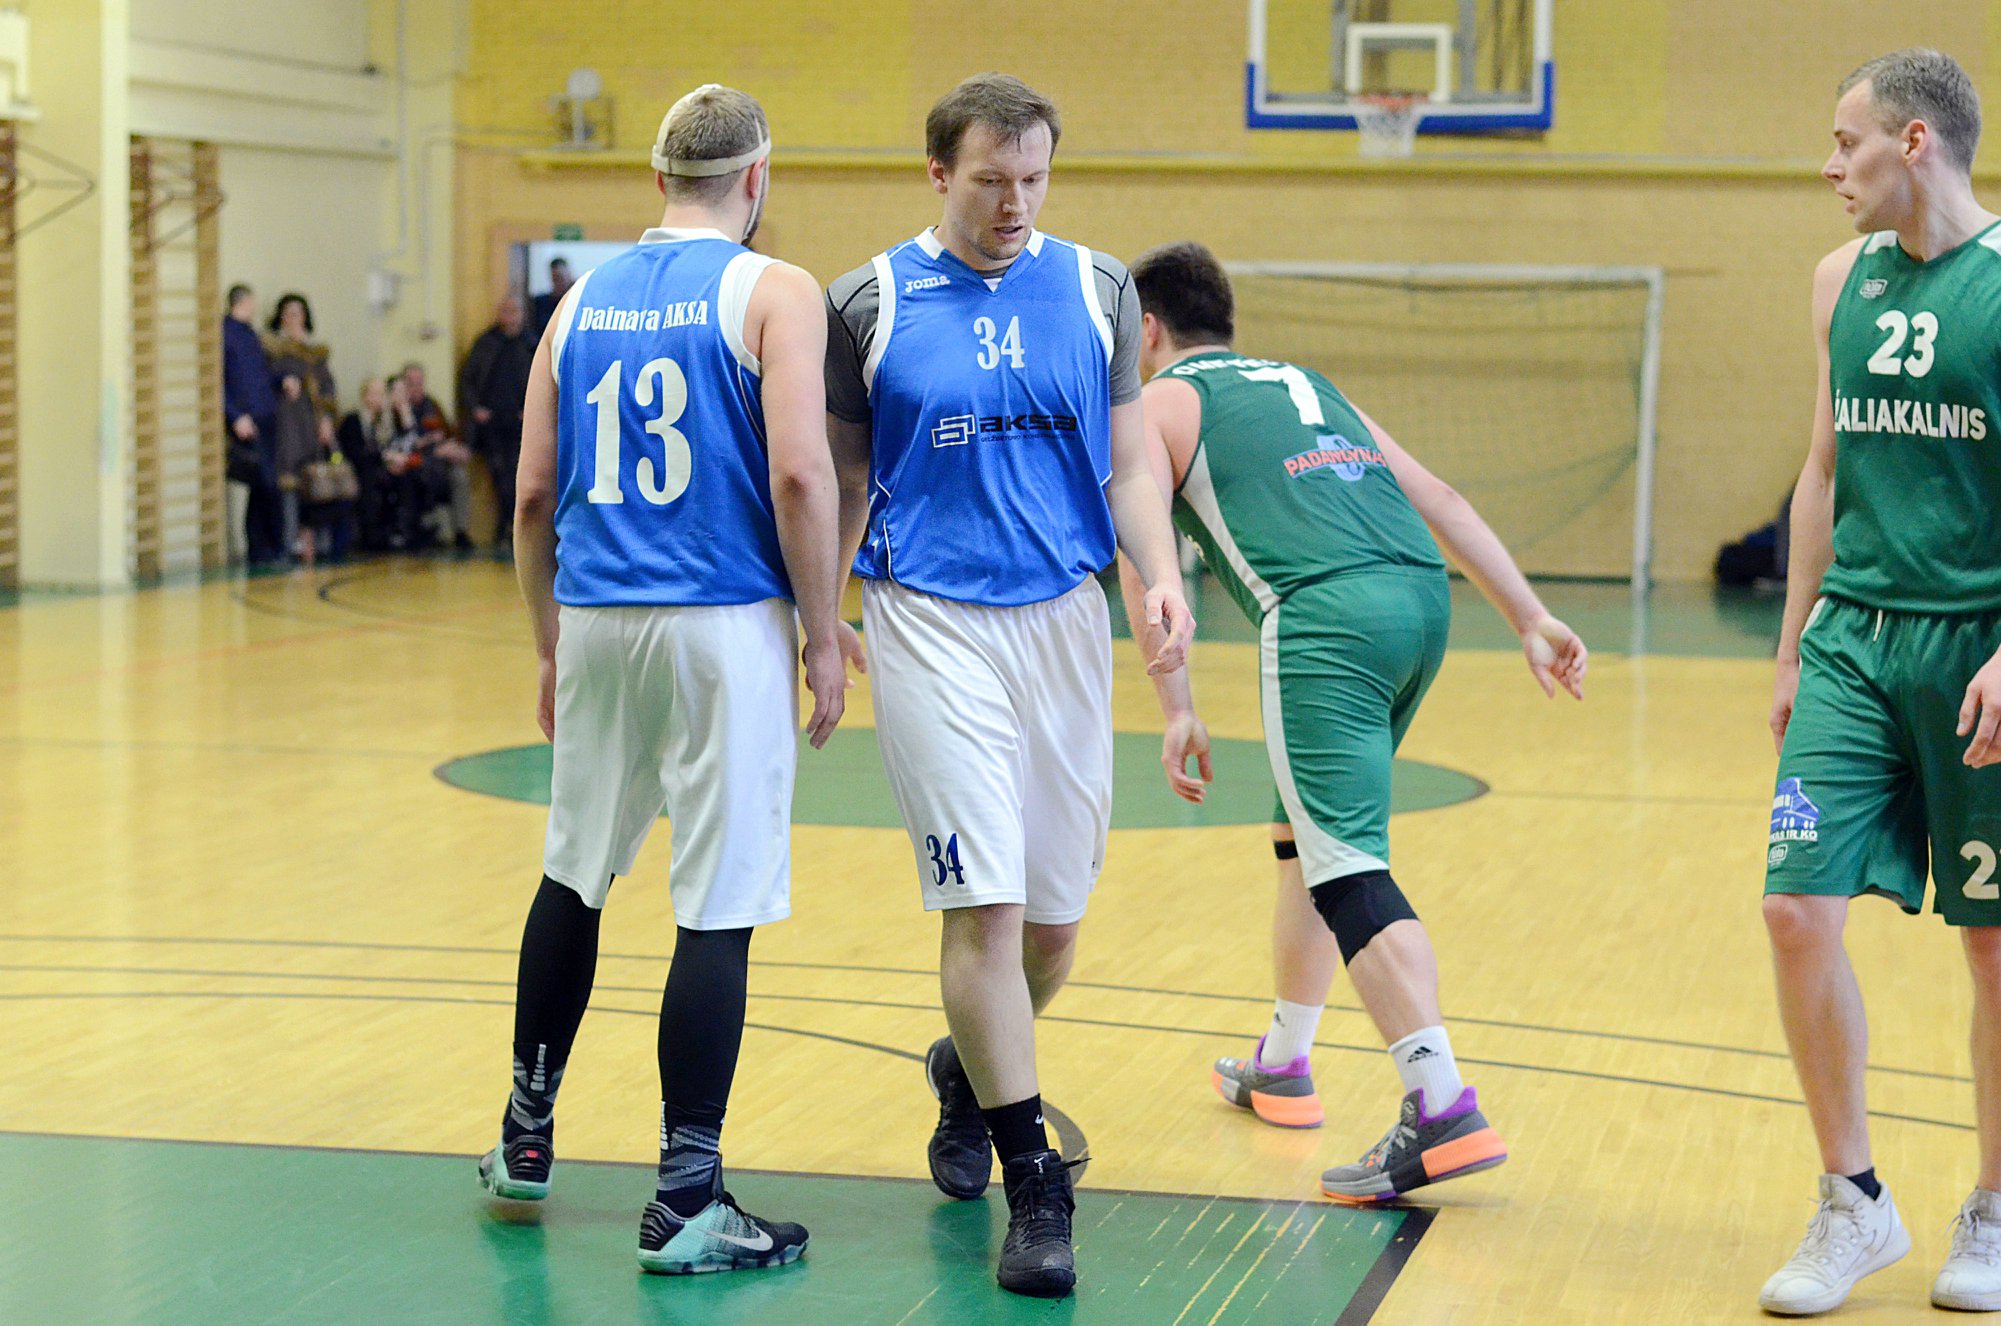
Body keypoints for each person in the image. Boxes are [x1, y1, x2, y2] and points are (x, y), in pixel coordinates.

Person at [1116, 241, 1585, 1208]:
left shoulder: (1157, 404)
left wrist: (1178, 708)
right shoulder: (1308, 385)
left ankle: (1439, 1102)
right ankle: (1282, 1063)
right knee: (1305, 839)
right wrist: (1529, 616)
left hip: (1325, 619)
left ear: (1148, 329)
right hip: (1420, 606)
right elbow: (1439, 497)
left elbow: (1144, 561)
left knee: (1346, 868)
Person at [823, 73, 1192, 1299]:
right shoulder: (868, 301)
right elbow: (841, 475)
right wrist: (817, 619)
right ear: (940, 173)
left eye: (1033, 179)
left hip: (1064, 622)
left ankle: (966, 1069)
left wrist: (1158, 576)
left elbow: (1128, 462)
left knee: (1051, 929)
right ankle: (1035, 1182)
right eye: (991, 180)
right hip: (929, 618)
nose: (1015, 203)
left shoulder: (1098, 289)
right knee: (981, 908)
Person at [480, 81, 853, 1279]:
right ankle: (687, 1196)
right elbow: (801, 475)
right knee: (717, 899)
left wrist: (550, 641)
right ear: (757, 180)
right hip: (720, 623)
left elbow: (531, 495)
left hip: (596, 615)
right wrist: (824, 632)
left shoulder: (578, 302)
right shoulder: (776, 291)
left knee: (573, 871)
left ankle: (524, 1140)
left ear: (656, 182)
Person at [1759, 49, 2001, 1317]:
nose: (1828, 165)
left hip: (1979, 648)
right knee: (1795, 911)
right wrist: (1792, 644)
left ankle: (1996, 1209)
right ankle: (1854, 1201)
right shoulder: (1837, 281)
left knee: (1992, 945)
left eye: (1845, 139)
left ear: (1914, 142)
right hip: (1855, 638)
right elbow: (1821, 470)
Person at [264, 293, 337, 566]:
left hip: (312, 422)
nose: (294, 318)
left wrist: (327, 419)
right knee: (289, 482)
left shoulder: (317, 353)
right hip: (288, 421)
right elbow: (269, 377)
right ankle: (288, 543)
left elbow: (327, 388)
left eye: (298, 313)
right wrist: (284, 379)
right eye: (289, 313)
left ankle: (321, 542)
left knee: (318, 482)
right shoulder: (274, 350)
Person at [460, 293, 537, 549]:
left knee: (518, 475)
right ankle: (505, 526)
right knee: (498, 475)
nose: (510, 317)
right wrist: (475, 408)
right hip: (491, 423)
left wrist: (532, 410)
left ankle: (514, 528)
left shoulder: (531, 344)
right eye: (506, 311)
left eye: (515, 311)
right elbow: (468, 379)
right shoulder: (486, 343)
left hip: (521, 423)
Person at [221, 283, 282, 565]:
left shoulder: (250, 334)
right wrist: (234, 415)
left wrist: (282, 381)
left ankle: (264, 548)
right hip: (247, 418)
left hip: (265, 414)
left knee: (265, 484)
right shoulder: (226, 333)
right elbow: (219, 382)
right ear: (243, 301)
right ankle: (264, 545)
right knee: (264, 481)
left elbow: (260, 374)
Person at [401, 361, 475, 552]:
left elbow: (447, 433)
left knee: (459, 475)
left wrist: (455, 448)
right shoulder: (400, 409)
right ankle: (428, 530)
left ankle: (461, 532)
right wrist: (434, 451)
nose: (416, 387)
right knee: (424, 475)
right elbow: (404, 444)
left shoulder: (432, 405)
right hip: (418, 464)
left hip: (441, 462)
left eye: (420, 382)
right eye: (411, 382)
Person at [530, 257, 573, 337]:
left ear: (569, 276)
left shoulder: (576, 301)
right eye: (555, 278)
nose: (559, 282)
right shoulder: (541, 302)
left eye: (561, 278)